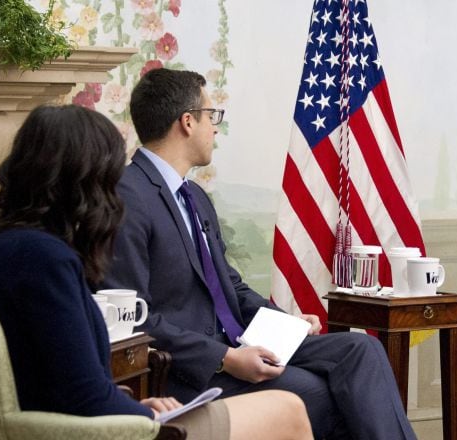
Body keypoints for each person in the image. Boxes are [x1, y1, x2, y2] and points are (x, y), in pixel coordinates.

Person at [0, 104, 312, 440]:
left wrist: (134, 406)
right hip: (88, 433)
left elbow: (54, 376)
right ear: (85, 180)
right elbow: (84, 396)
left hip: (51, 424)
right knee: (289, 408)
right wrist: (148, 419)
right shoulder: (47, 260)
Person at [100, 68, 416, 440]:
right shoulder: (126, 197)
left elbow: (228, 285)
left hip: (244, 343)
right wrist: (224, 359)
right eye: (210, 116)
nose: (215, 129)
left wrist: (289, 324)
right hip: (191, 369)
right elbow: (135, 319)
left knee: (361, 349)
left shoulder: (195, 197)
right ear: (187, 122)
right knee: (322, 393)